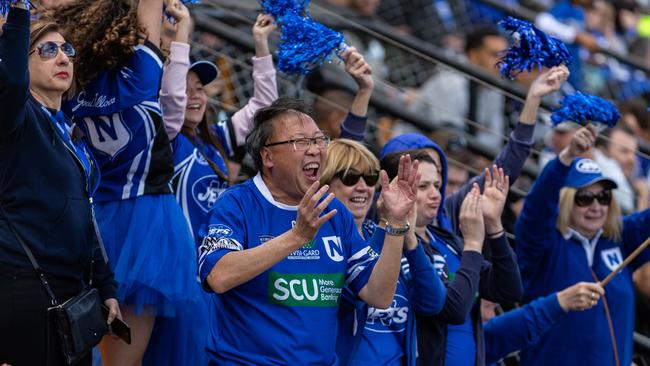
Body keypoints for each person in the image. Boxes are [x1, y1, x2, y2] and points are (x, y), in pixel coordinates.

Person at [198, 97, 420, 365]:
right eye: (300, 141)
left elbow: (379, 295)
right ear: (267, 156)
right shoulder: (236, 204)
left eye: (318, 140)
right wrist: (297, 237)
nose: (315, 150)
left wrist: (395, 223)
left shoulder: (333, 210)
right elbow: (218, 276)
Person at [46, 0, 199, 364]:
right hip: (149, 221)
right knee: (124, 359)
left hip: (93, 221)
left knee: (82, 343)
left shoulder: (67, 90)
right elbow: (148, 12)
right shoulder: (142, 75)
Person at [143, 10, 279, 366]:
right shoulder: (164, 141)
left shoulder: (216, 139)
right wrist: (180, 38)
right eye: (184, 90)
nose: (194, 97)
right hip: (177, 273)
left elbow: (263, 108)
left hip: (214, 271)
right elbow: (170, 100)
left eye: (199, 88)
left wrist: (261, 47)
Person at [0, 4, 119, 365]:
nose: (62, 57)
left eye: (67, 49)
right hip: (21, 286)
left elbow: (86, 217)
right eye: (47, 50)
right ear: (24, 60)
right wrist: (19, 11)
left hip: (71, 294)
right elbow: (10, 82)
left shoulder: (71, 133)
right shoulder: (14, 118)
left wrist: (106, 287)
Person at [516, 125, 650, 366]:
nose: (596, 206)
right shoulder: (544, 244)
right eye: (584, 198)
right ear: (565, 201)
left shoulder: (619, 237)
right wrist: (565, 158)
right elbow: (536, 209)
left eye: (604, 196)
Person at [381, 150, 522, 366]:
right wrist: (474, 245)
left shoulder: (446, 240)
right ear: (393, 191)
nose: (435, 194)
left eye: (437, 186)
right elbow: (453, 309)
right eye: (422, 186)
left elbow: (509, 289)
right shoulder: (394, 246)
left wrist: (494, 226)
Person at [319, 139, 446, 366]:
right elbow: (362, 289)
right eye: (350, 178)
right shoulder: (321, 241)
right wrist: (388, 225)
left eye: (369, 179)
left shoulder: (389, 235)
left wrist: (409, 240)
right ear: (326, 183)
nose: (362, 187)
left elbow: (433, 302)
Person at [409, 27, 509, 147]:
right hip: (409, 152)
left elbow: (494, 141)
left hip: (450, 157)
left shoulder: (495, 88)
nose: (502, 63)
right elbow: (446, 140)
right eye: (494, 55)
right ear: (473, 56)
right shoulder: (450, 81)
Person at [484, 281, 605, 365]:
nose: (493, 300)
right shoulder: (469, 342)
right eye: (481, 287)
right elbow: (491, 337)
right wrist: (559, 302)